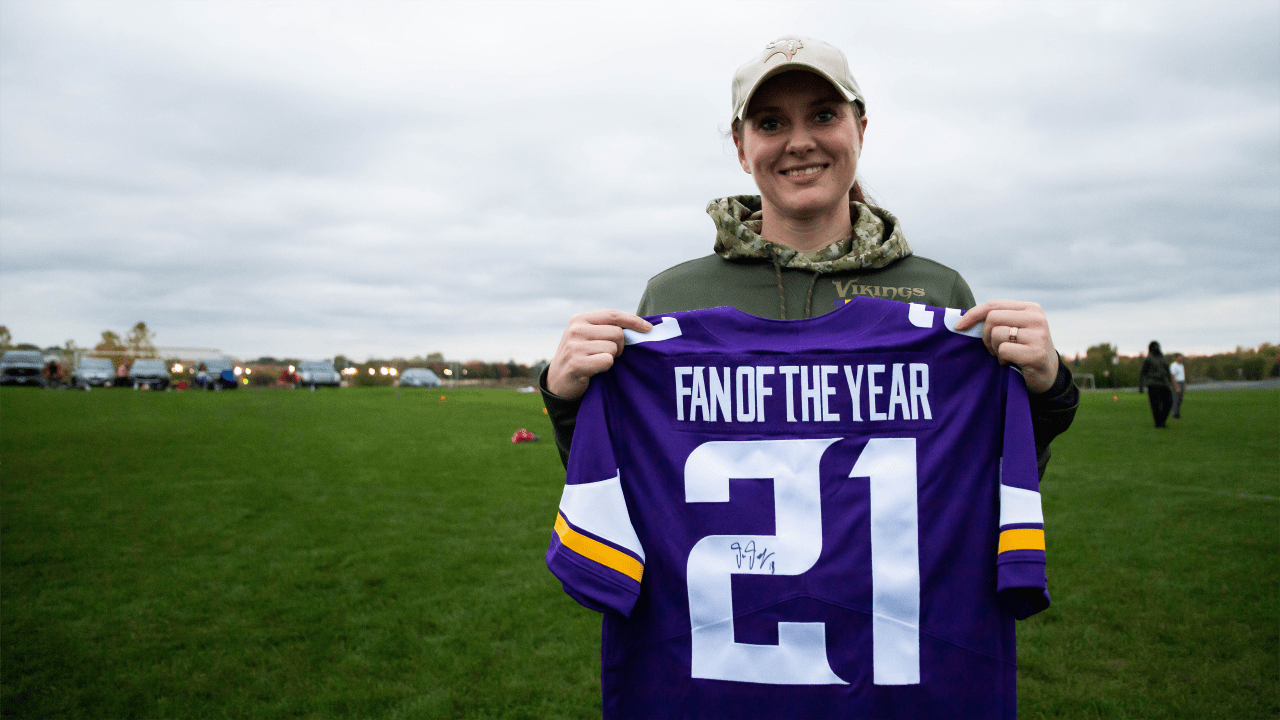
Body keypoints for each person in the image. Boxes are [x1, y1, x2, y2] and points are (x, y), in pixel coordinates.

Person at [541, 35, 1078, 478]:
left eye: (823, 115)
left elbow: (986, 480)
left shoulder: (939, 296)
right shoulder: (672, 300)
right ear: (740, 146)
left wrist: (1046, 392)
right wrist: (568, 402)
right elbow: (628, 479)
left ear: (860, 128)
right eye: (771, 123)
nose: (799, 142)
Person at [1139, 341, 1174, 428]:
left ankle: (1161, 420)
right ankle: (1159, 423)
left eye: (1158, 346)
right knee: (1155, 405)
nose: (1157, 348)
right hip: (1153, 384)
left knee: (1169, 401)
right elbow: (1142, 373)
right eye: (1155, 347)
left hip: (1164, 384)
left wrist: (1171, 383)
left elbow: (1168, 372)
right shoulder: (1148, 359)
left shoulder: (1163, 358)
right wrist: (1141, 387)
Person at [1170, 352, 1186, 419]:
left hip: (1182, 383)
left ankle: (1177, 414)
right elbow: (1173, 377)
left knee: (1180, 400)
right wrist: (1176, 386)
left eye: (1181, 357)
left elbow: (1183, 375)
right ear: (1177, 358)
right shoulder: (1174, 365)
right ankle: (1174, 415)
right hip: (1177, 383)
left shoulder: (1182, 365)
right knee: (1176, 399)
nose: (1181, 358)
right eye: (1180, 357)